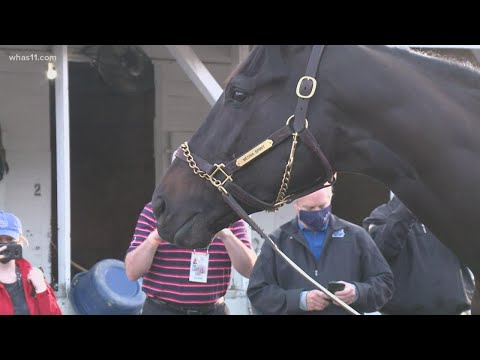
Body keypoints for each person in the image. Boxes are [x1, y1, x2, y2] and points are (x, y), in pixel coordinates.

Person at [247, 185, 394, 315]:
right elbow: (257, 293)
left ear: (331, 199)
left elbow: (384, 283)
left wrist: (357, 293)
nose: (317, 213)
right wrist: (300, 301)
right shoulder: (277, 242)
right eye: (310, 208)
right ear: (296, 205)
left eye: (323, 206)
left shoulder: (356, 236)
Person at [125, 201, 257, 315]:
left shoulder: (229, 212)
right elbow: (132, 272)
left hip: (213, 310)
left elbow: (250, 270)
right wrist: (155, 238)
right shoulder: (156, 209)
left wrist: (226, 235)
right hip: (162, 310)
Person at [363, 195, 475, 315]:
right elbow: (380, 252)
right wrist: (407, 208)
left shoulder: (451, 212)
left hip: (456, 311)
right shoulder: (381, 215)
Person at [0, 211, 62, 315]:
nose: (4, 245)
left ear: (19, 241)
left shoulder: (32, 277)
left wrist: (42, 291)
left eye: (10, 239)